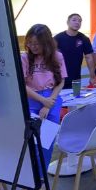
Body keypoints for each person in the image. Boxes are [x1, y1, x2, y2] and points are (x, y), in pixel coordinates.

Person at [22, 24, 66, 168]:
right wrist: (43, 101)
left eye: (36, 44)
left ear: (46, 43)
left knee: (47, 143)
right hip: (32, 98)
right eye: (30, 42)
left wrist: (48, 104)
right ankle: (32, 177)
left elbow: (61, 81)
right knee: (31, 143)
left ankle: (41, 178)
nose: (32, 47)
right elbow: (22, 85)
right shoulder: (24, 58)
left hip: (51, 98)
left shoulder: (57, 56)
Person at [54, 13, 96, 89]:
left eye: (79, 21)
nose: (77, 22)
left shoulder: (84, 39)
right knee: (59, 96)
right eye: (74, 20)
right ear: (67, 22)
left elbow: (89, 58)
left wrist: (92, 76)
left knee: (76, 95)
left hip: (76, 77)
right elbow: (50, 56)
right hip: (59, 77)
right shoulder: (58, 38)